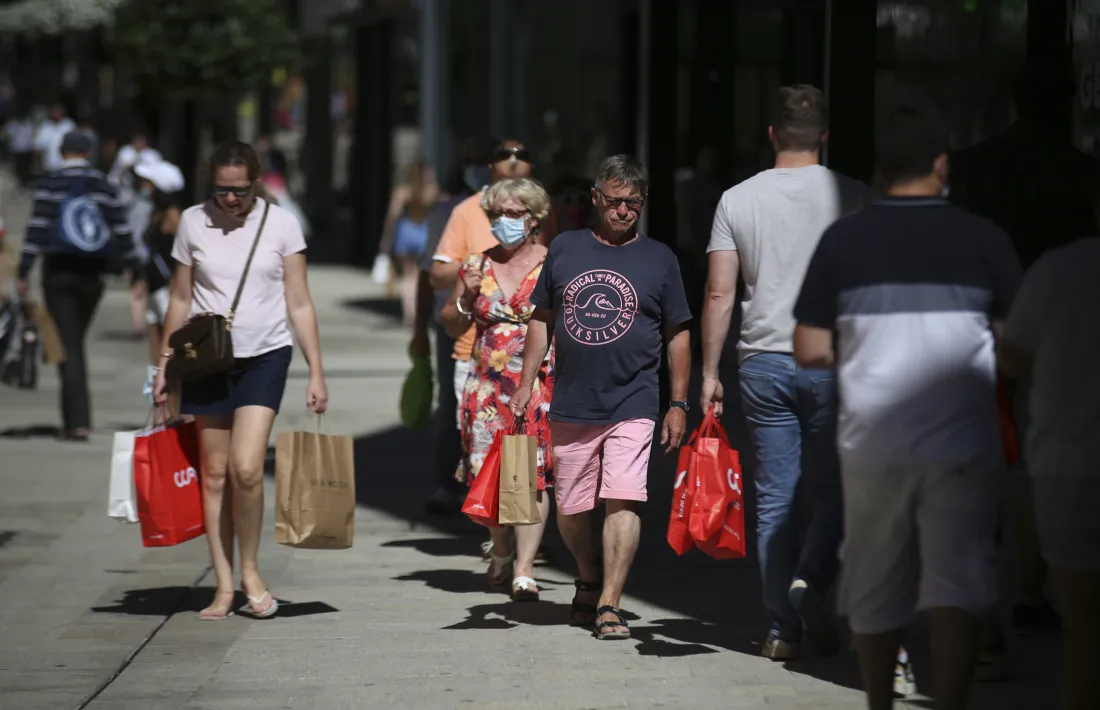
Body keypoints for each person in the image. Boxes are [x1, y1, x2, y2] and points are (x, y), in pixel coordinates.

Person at [791, 102, 1021, 710]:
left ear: (880, 170)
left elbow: (810, 349)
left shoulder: (844, 239)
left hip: (873, 442)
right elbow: (1019, 349)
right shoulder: (985, 239)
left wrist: (873, 346)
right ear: (942, 164)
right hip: (963, 445)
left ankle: (878, 704)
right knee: (957, 585)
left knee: (874, 583)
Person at [700, 84, 866, 660]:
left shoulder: (736, 199)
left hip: (762, 361)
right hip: (833, 360)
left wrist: (708, 373)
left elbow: (721, 294)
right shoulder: (855, 196)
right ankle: (814, 581)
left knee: (772, 501)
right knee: (838, 491)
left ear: (770, 134)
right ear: (824, 136)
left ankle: (782, 631)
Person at [511, 155, 692, 640]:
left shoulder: (661, 259)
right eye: (614, 201)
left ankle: (610, 602)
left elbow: (678, 333)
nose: (623, 210)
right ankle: (588, 574)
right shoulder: (565, 249)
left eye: (633, 202)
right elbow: (541, 319)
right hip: (572, 401)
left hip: (634, 401)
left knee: (623, 498)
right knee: (571, 510)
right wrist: (527, 381)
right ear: (595, 198)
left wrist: (678, 402)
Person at [152, 140, 328, 620]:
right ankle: (224, 586)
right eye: (221, 190)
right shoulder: (192, 222)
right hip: (206, 358)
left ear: (256, 181)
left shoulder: (281, 223)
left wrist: (316, 370)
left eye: (240, 190)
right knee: (213, 474)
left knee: (247, 468)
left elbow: (299, 301)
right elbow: (180, 298)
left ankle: (250, 570)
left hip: (265, 354)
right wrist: (165, 362)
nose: (230, 200)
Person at [999, 234, 1100, 710]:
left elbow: (1013, 358)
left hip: (1071, 462)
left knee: (1083, 631)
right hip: (1068, 461)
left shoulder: (1059, 268)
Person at [441, 178, 555, 599]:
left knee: (532, 473)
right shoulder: (477, 264)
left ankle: (525, 567)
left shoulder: (553, 261)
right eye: (497, 215)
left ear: (534, 219)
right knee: (485, 470)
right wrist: (464, 299)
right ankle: (502, 545)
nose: (503, 222)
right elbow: (452, 325)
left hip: (535, 381)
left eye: (513, 214)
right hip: (487, 385)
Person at [430, 139, 533, 558]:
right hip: (478, 357)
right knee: (488, 452)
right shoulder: (464, 212)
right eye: (504, 155)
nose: (512, 163)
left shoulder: (544, 217)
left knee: (526, 453)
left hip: (533, 363)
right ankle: (503, 537)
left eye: (521, 156)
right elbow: (436, 275)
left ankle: (521, 550)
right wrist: (478, 269)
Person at [15, 130, 140, 440]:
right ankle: (74, 417)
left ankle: (77, 421)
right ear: (89, 153)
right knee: (73, 341)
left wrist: (23, 271)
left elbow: (38, 228)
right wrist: (134, 266)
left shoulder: (50, 183)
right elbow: (120, 227)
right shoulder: (102, 184)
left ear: (62, 150)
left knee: (69, 346)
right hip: (93, 276)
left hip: (58, 273)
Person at [413, 136, 499, 515]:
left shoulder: (519, 212)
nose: (476, 167)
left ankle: (497, 496)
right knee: (453, 407)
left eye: (483, 160)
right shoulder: (450, 212)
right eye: (470, 159)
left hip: (507, 332)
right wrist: (418, 329)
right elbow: (428, 274)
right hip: (456, 325)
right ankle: (450, 484)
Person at [382, 161, 439, 327]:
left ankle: (409, 316)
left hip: (406, 232)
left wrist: (387, 239)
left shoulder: (402, 191)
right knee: (424, 276)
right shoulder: (431, 192)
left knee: (408, 277)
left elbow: (392, 217)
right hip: (425, 233)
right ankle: (421, 314)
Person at [32, 104, 75, 175]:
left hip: (66, 166)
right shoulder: (45, 126)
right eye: (55, 111)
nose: (56, 114)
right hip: (49, 166)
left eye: (59, 111)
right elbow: (38, 147)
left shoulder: (69, 125)